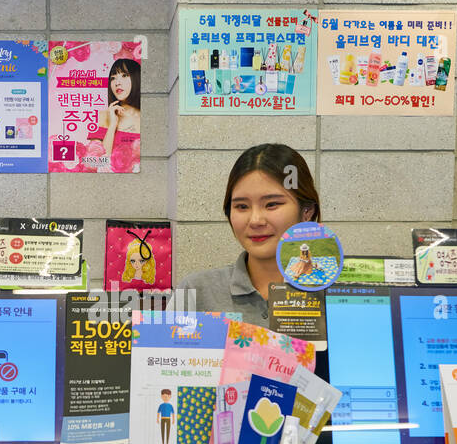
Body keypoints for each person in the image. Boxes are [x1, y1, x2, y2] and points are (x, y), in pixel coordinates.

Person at [174, 143, 322, 328]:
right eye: (242, 206)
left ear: (307, 211)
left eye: (272, 204)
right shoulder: (194, 291)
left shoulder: (335, 295)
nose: (255, 220)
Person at [88, 57, 141, 173]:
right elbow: (97, 164)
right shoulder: (103, 117)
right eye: (113, 78)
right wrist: (112, 125)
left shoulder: (148, 117)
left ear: (137, 78)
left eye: (124, 75)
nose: (117, 83)